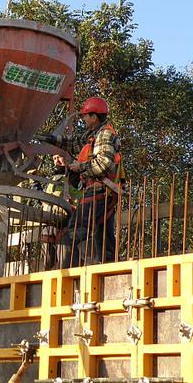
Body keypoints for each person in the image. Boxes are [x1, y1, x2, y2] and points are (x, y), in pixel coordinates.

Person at [35, 97, 122, 267]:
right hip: (104, 192)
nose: (83, 119)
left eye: (85, 116)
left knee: (74, 230)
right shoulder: (94, 135)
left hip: (99, 190)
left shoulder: (105, 135)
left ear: (94, 116)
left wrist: (80, 167)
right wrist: (53, 139)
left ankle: (71, 272)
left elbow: (105, 164)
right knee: (103, 233)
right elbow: (74, 143)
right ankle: (109, 266)